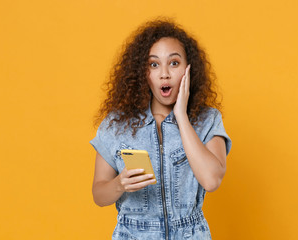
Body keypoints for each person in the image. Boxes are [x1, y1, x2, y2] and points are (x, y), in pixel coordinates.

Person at [90, 19, 232, 240]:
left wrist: (181, 117)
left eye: (174, 63)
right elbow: (98, 194)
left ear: (188, 68)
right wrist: (120, 184)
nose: (164, 74)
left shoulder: (207, 120)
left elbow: (211, 180)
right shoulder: (117, 124)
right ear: (143, 72)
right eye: (154, 64)